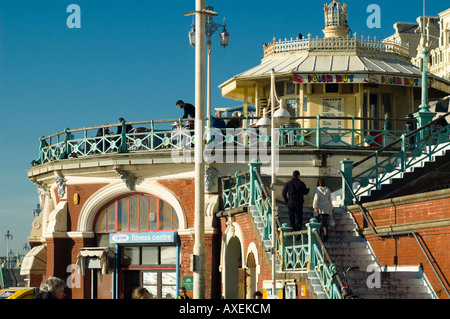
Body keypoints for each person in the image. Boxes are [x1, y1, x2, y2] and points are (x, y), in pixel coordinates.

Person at [313, 177, 333, 242]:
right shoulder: (328, 189)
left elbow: (316, 198)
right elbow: (330, 199)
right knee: (325, 223)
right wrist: (331, 208)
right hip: (326, 207)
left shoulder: (317, 189)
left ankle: (319, 233)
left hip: (320, 207)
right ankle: (325, 235)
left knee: (318, 221)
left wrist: (315, 207)